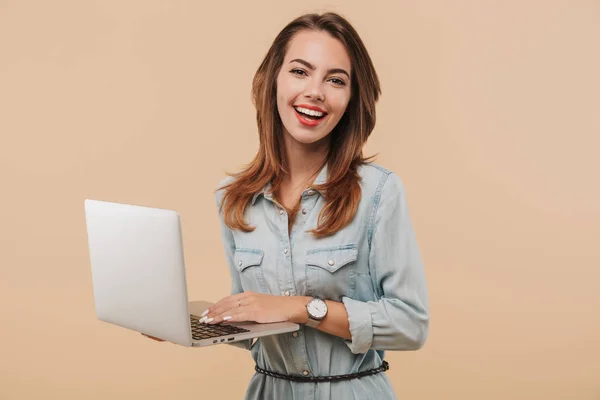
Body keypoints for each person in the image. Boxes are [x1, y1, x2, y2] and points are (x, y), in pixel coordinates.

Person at [146, 11, 429, 400]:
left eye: (335, 80)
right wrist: (190, 324)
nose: (315, 91)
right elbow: (260, 329)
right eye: (300, 71)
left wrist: (301, 307)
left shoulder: (378, 192)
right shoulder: (234, 199)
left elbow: (410, 325)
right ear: (272, 81)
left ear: (350, 99)